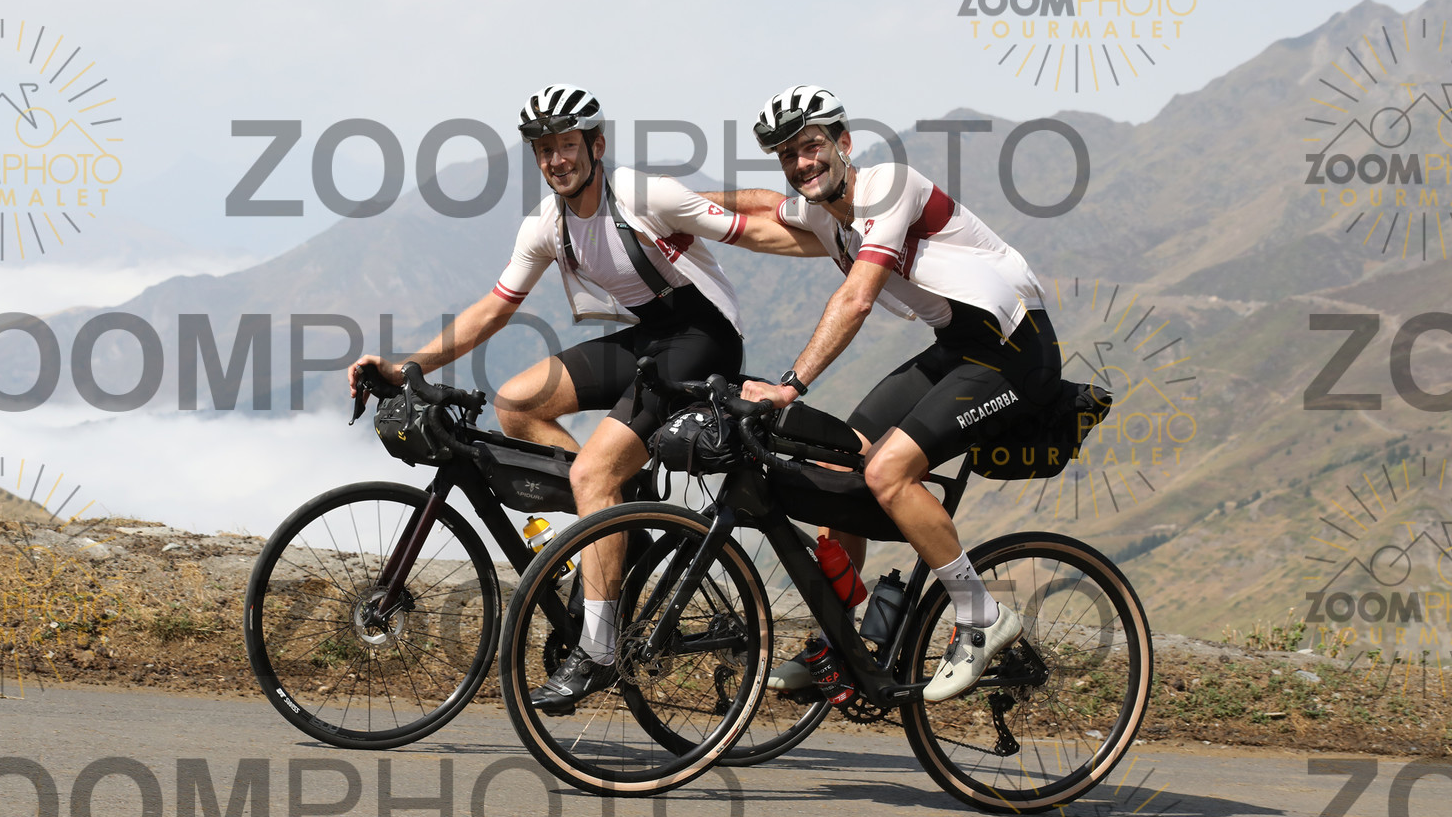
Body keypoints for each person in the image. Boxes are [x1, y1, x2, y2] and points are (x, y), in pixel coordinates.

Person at [350, 83, 816, 711]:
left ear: (596, 145)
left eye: (567, 144)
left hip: (704, 340)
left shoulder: (643, 196)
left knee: (593, 473)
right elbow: (493, 308)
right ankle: (618, 528)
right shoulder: (548, 224)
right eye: (544, 150)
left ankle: (597, 647)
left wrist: (849, 246)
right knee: (517, 403)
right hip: (650, 337)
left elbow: (750, 230)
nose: (556, 159)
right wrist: (408, 363)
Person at [708, 85, 1059, 702]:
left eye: (811, 146)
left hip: (1015, 352)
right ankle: (842, 642)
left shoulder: (890, 187)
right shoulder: (826, 212)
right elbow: (763, 206)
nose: (801, 163)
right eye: (787, 155)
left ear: (844, 143)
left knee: (887, 471)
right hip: (958, 346)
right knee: (834, 460)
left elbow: (857, 299)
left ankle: (981, 616)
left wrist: (790, 386)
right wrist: (664, 203)